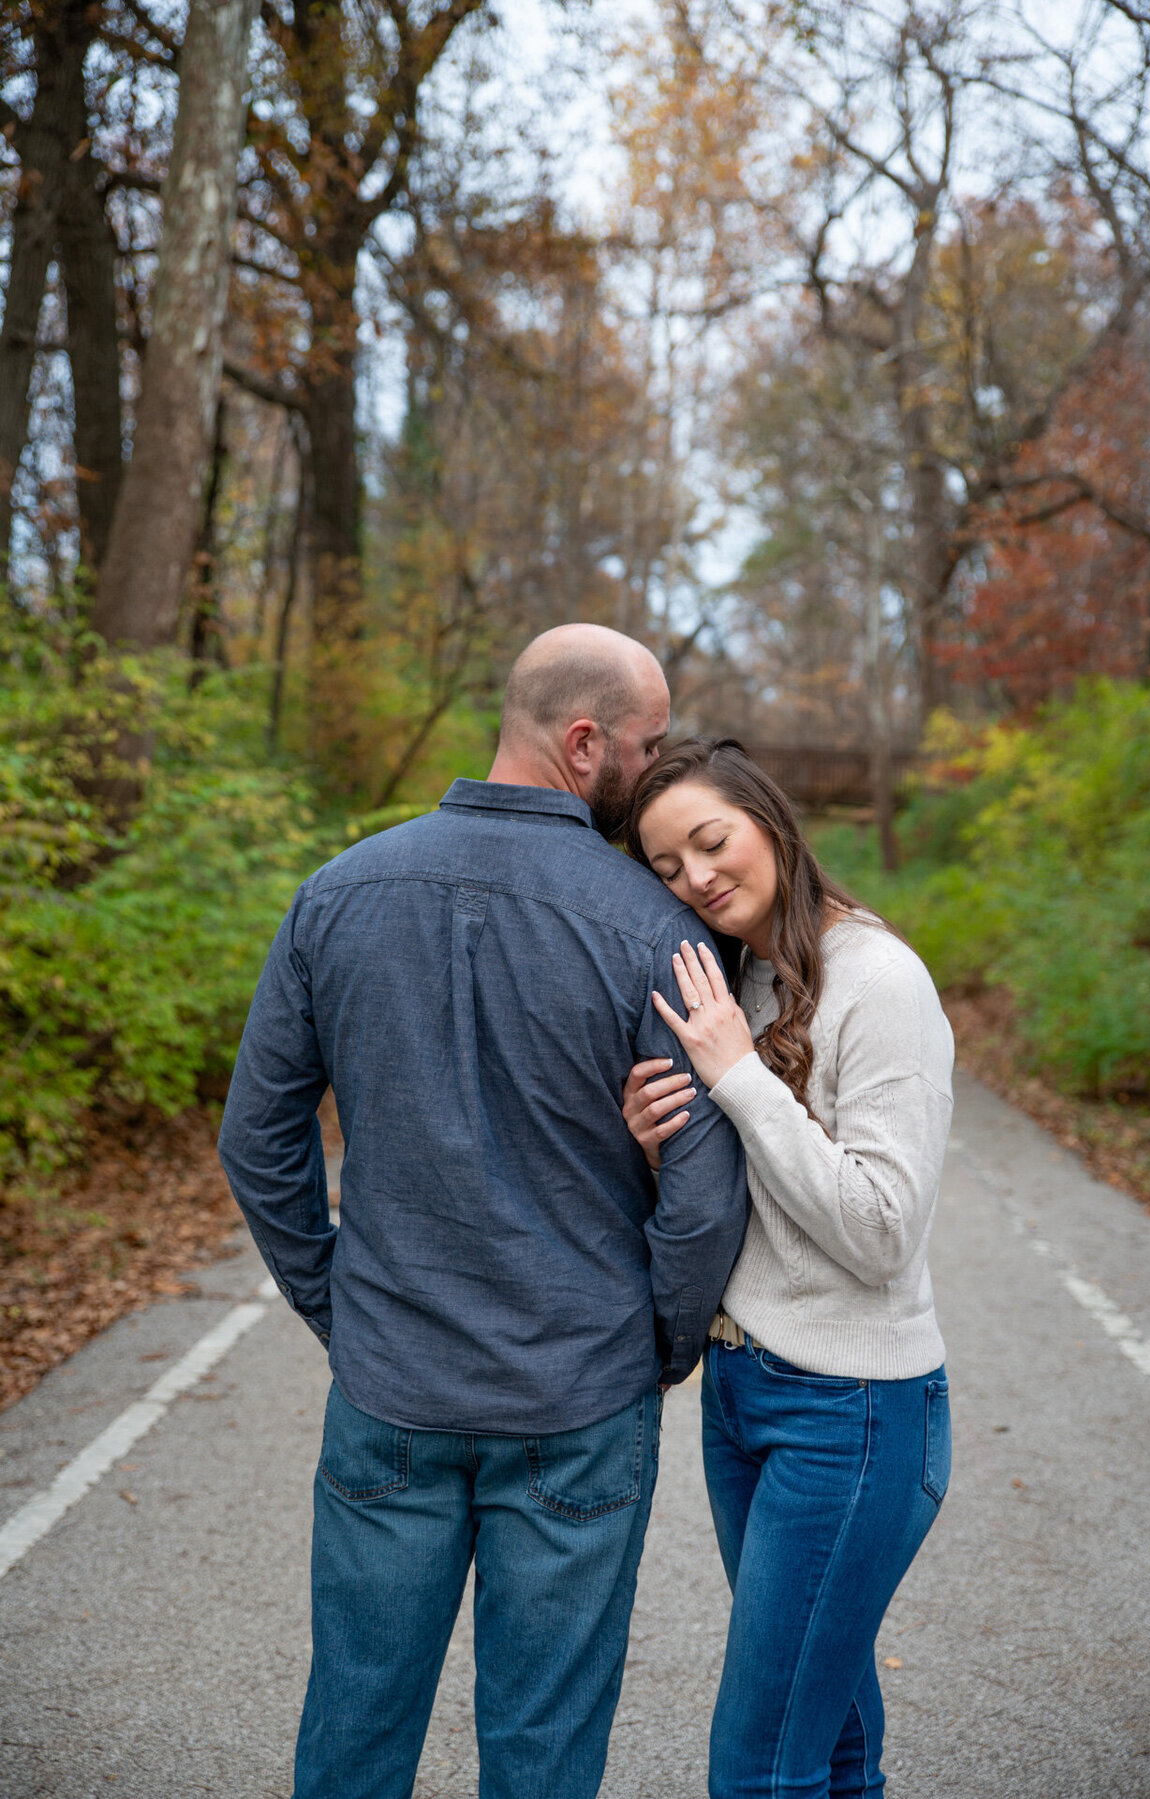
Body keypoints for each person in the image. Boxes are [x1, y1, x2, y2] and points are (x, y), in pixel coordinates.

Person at [217, 627, 747, 1799]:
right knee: (544, 1747)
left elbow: (258, 1140)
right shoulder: (657, 930)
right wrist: (653, 1344)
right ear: (582, 741)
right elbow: (705, 1189)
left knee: (354, 1722)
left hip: (391, 1384)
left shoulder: (336, 892)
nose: (657, 769)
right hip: (579, 1391)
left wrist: (343, 1307)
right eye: (648, 744)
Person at [620, 737, 954, 1799]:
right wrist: (657, 1141)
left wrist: (735, 1078)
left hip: (850, 1412)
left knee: (761, 1766)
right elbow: (756, 1194)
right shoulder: (749, 976)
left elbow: (881, 1226)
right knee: (833, 1734)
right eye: (667, 867)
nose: (697, 877)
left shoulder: (879, 977)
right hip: (746, 1388)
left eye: (710, 840)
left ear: (768, 818)